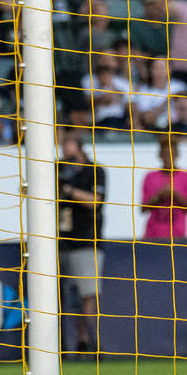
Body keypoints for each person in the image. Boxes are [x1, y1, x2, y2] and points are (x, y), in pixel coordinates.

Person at [57, 129, 106, 356]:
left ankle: (86, 342)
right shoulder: (56, 170)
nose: (65, 150)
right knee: (58, 297)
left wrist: (70, 191)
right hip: (59, 242)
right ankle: (58, 344)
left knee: (88, 295)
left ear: (79, 146)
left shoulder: (94, 172)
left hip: (86, 241)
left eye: (68, 145)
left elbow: (95, 201)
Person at [140, 135, 187, 241]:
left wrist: (174, 194)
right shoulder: (150, 177)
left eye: (171, 154)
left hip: (177, 234)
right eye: (165, 154)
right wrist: (159, 195)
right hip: (153, 234)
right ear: (160, 155)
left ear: (177, 155)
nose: (168, 158)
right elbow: (143, 208)